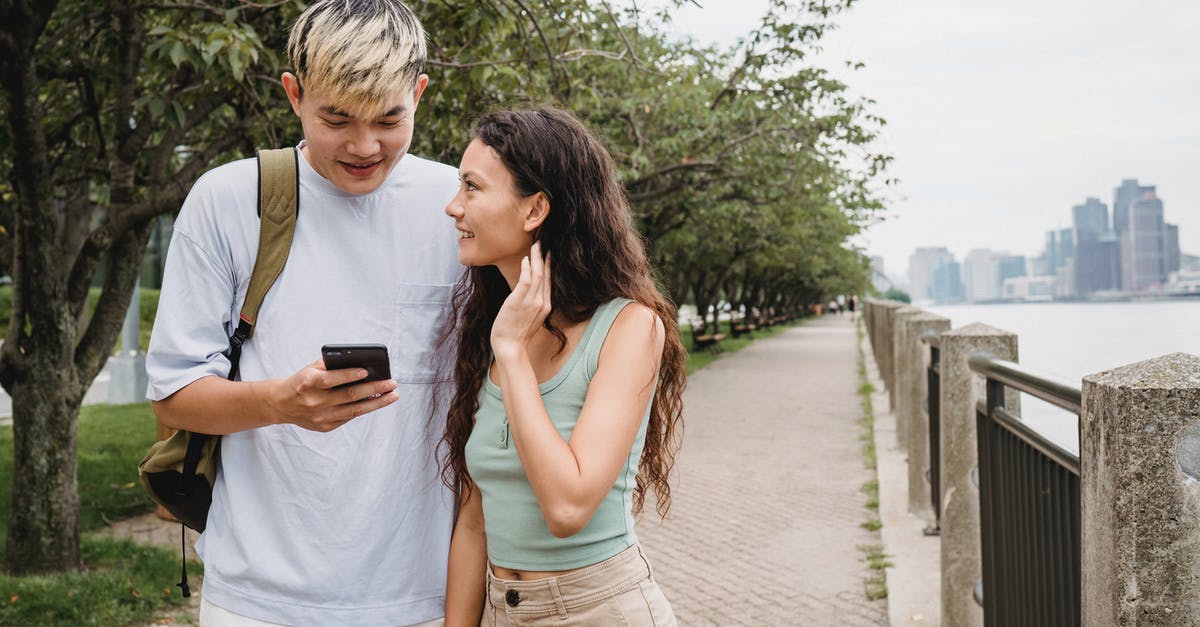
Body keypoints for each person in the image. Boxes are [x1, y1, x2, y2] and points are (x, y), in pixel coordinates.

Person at [145, 1, 459, 624]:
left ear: (419, 94)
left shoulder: (458, 205)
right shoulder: (229, 199)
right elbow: (173, 394)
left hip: (425, 596)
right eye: (336, 118)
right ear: (294, 94)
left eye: (390, 118)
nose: (364, 145)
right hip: (259, 600)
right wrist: (281, 403)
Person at [440, 107, 685, 626]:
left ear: (535, 210)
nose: (452, 206)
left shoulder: (630, 328)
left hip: (600, 609)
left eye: (472, 188)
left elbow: (568, 508)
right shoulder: (491, 326)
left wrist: (513, 353)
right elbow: (474, 519)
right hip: (504, 608)